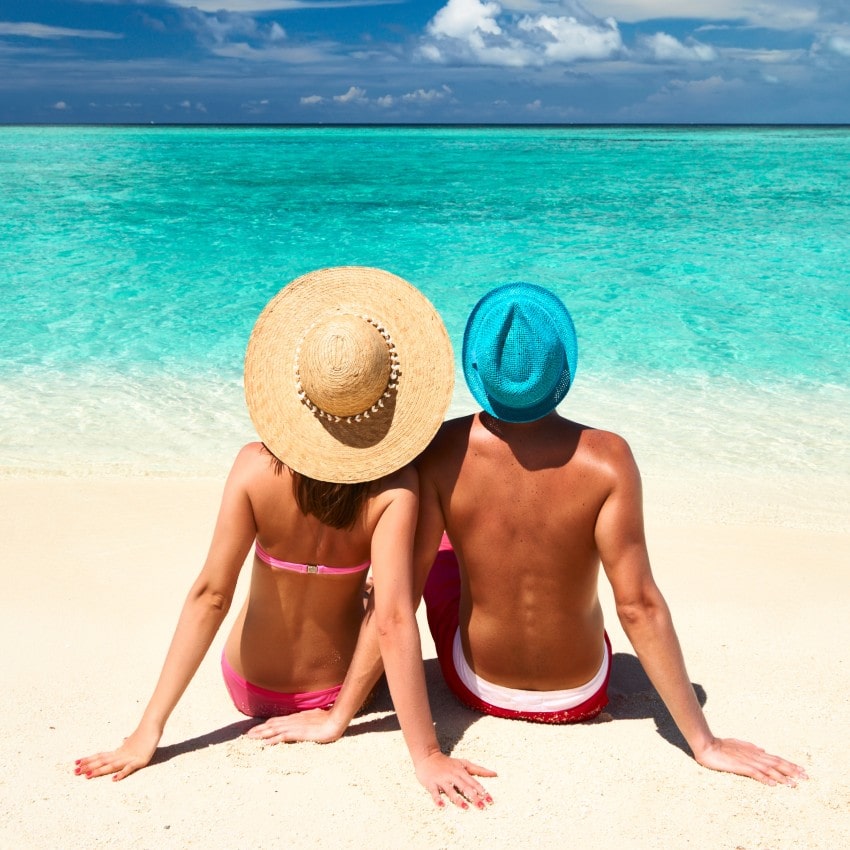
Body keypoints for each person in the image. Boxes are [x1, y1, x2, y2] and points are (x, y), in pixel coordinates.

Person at [74, 266, 495, 809]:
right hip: (334, 691)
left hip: (247, 687)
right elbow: (393, 620)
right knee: (413, 570)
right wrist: (426, 753)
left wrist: (146, 731)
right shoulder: (394, 491)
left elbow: (211, 595)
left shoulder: (253, 468)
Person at [412, 281, 807, 785]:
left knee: (439, 551)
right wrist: (704, 743)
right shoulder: (608, 458)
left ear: (477, 368)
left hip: (477, 687)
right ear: (561, 368)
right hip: (579, 695)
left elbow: (402, 594)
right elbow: (637, 606)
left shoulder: (441, 449)